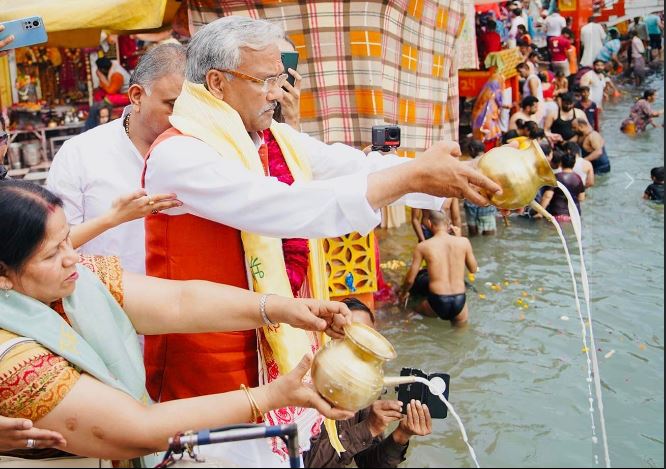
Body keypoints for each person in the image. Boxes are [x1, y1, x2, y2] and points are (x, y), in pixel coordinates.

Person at [142, 16, 500, 466]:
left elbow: (349, 166)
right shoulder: (181, 153)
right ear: (217, 82)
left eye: (281, 77)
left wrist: (452, 178)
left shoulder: (269, 138)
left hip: (274, 347)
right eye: (266, 80)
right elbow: (284, 208)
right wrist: (413, 175)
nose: (278, 91)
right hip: (209, 368)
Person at [0, 180, 355, 465]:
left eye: (68, 240)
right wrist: (272, 396)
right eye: (52, 254)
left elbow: (178, 302)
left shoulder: (79, 280)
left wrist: (282, 309)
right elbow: (137, 428)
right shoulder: (12, 358)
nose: (72, 257)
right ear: (3, 276)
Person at [47, 44, 186, 274]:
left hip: (192, 299)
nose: (183, 117)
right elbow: (52, 247)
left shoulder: (202, 150)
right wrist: (112, 219)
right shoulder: (80, 153)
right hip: (107, 301)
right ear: (137, 96)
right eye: (172, 106)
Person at [303, 298, 432, 468]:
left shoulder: (366, 387)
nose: (362, 349)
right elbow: (306, 463)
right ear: (333, 335)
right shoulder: (307, 384)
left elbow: (368, 463)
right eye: (353, 337)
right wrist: (368, 427)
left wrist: (400, 435)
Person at [400, 211, 477, 325]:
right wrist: (459, 238)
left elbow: (410, 280)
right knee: (459, 332)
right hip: (459, 299)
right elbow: (473, 269)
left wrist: (403, 294)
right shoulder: (463, 242)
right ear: (448, 224)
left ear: (430, 223)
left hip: (438, 300)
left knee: (410, 311)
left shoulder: (423, 246)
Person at [536, 150, 585, 223]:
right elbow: (581, 198)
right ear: (573, 164)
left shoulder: (556, 177)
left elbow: (548, 196)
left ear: (561, 163)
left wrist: (539, 213)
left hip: (557, 215)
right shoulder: (579, 179)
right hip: (574, 218)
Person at [273, 36, 302, 130]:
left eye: (286, 59)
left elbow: (295, 144)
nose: (281, 67)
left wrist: (293, 118)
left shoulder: (288, 106)